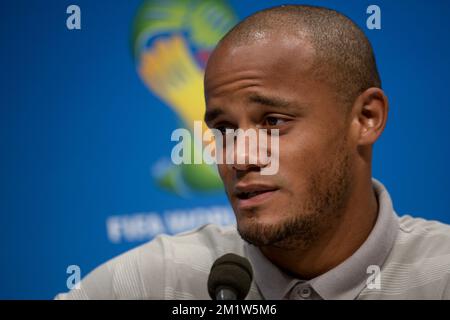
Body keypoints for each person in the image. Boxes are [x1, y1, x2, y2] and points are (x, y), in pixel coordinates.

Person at [56, 5, 450, 300]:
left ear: (366, 117)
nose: (239, 157)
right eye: (223, 129)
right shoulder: (157, 282)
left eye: (273, 122)